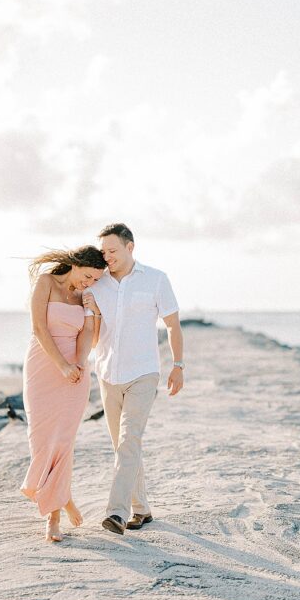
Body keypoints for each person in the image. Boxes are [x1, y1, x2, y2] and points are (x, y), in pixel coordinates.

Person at [82, 223, 184, 535]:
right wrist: (91, 311)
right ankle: (142, 509)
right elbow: (97, 338)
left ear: (130, 247)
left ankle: (116, 513)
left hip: (144, 372)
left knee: (129, 441)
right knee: (123, 447)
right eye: (103, 251)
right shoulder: (96, 286)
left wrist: (178, 365)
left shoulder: (156, 279)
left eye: (112, 250)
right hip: (108, 374)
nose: (107, 256)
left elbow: (172, 325)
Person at [20, 246, 107, 542]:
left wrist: (79, 364)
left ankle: (53, 517)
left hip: (75, 372)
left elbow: (88, 336)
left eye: (95, 280)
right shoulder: (46, 282)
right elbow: (39, 328)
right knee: (42, 439)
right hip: (44, 366)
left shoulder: (85, 296)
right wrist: (62, 365)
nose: (89, 283)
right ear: (75, 264)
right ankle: (62, 497)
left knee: (63, 441)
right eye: (87, 276)